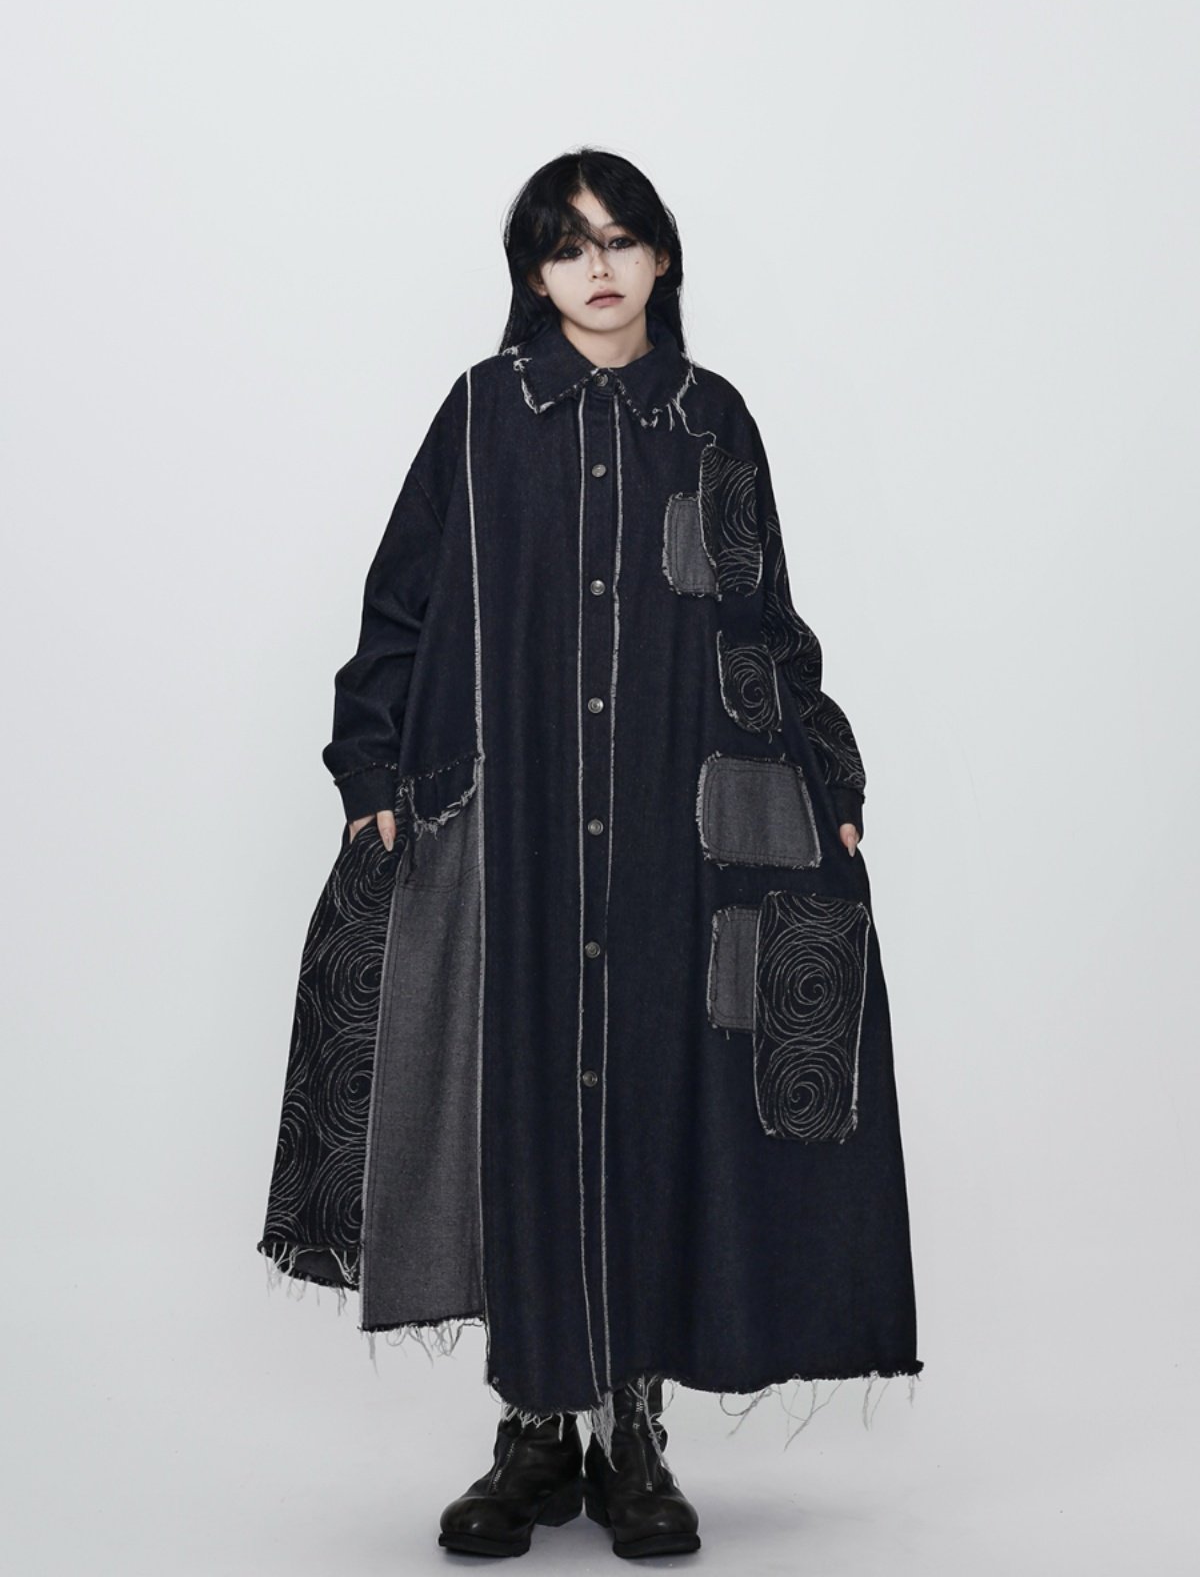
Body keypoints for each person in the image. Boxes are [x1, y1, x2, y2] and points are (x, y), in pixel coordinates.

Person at [257, 148, 922, 1560]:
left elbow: (760, 618)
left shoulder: (712, 418)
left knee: (655, 1102)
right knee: (517, 1104)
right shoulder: (483, 414)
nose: (599, 268)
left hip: (677, 831)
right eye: (568, 247)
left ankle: (633, 1430)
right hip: (511, 827)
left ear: (663, 257)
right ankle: (533, 1431)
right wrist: (370, 771)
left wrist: (824, 773)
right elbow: (403, 600)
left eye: (621, 240)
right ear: (535, 275)